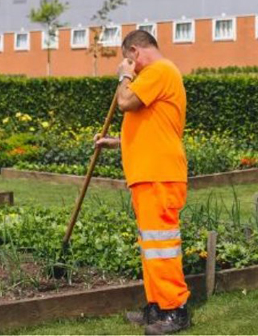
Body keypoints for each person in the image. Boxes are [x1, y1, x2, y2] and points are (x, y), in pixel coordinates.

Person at [95, 30, 190, 335]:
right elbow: (149, 128)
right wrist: (115, 141)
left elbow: (125, 101)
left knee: (162, 246)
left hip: (159, 174)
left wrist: (124, 76)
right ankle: (156, 306)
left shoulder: (159, 71)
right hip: (148, 174)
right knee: (151, 246)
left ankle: (175, 309)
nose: (127, 65)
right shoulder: (158, 77)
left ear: (135, 52)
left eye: (127, 59)